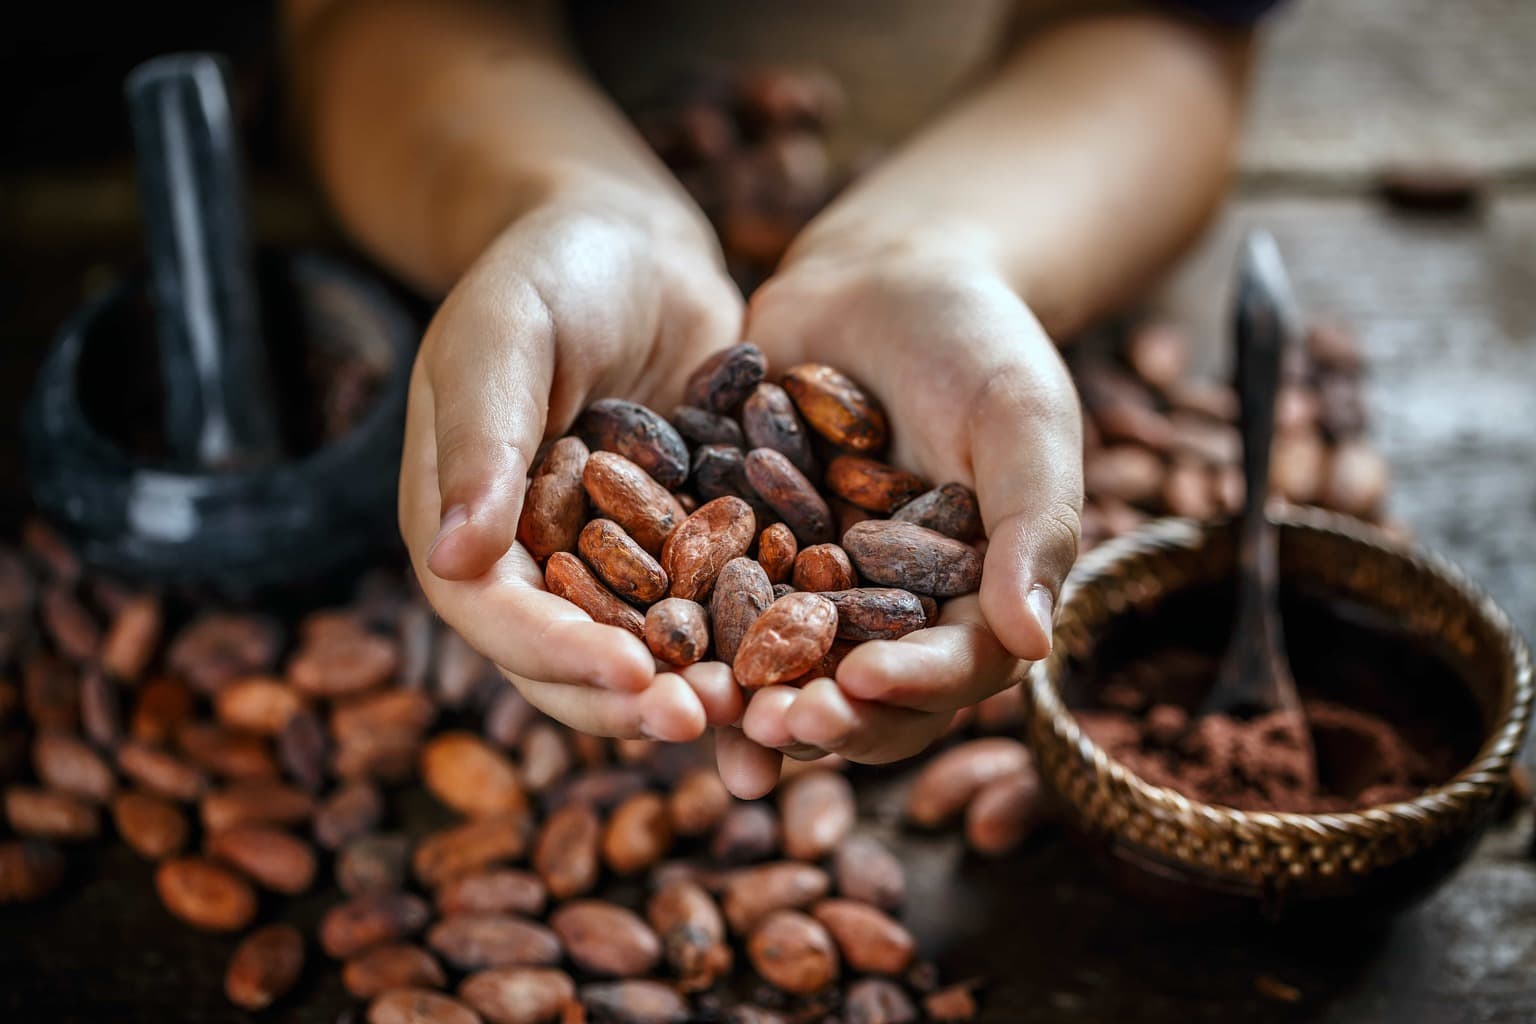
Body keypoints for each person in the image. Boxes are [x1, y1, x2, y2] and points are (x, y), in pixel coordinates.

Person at [285, 0, 1275, 797]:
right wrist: (564, 204)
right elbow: (360, 22)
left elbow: (1170, 30)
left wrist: (938, 249)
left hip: (988, 162)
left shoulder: (794, 497)